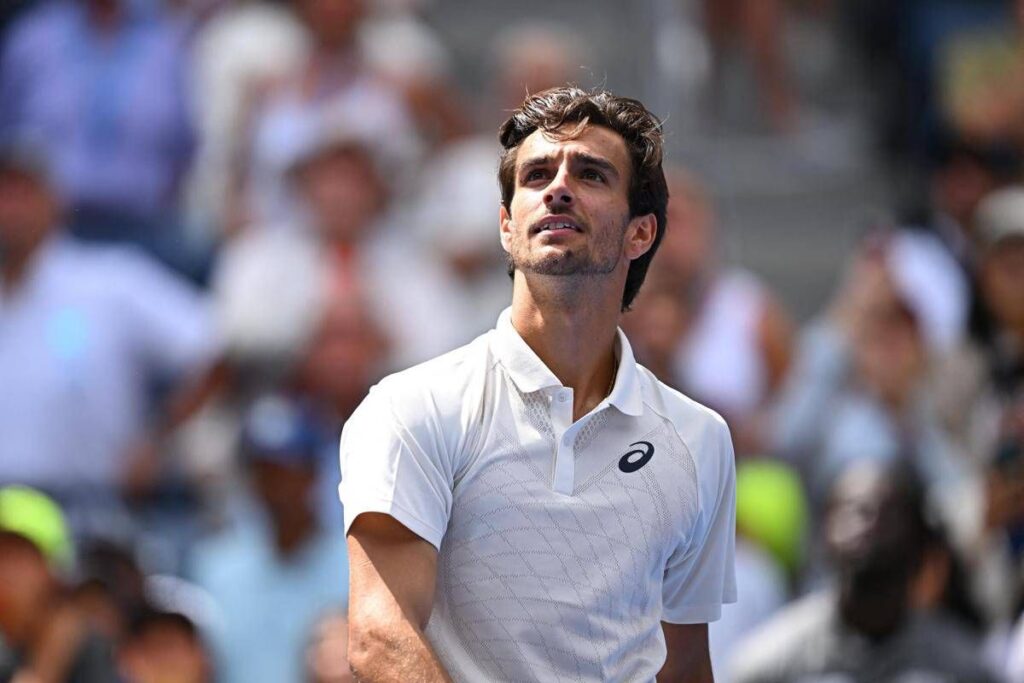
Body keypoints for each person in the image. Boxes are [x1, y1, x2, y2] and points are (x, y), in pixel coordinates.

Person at [340, 86, 737, 681]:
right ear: (507, 226)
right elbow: (380, 639)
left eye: (591, 174)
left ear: (641, 233)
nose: (558, 187)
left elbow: (682, 666)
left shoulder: (701, 439)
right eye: (537, 175)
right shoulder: (411, 407)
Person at [728, 462, 999, 683]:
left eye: (887, 514)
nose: (868, 525)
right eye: (854, 511)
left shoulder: (962, 668)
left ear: (918, 540)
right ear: (823, 533)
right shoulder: (770, 664)